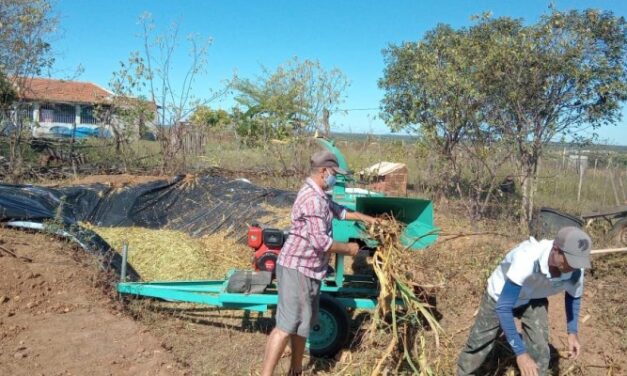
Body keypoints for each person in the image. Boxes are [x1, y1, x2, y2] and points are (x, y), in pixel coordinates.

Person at [261, 150, 378, 376]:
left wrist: (367, 218)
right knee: (285, 327)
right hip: (296, 268)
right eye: (335, 173)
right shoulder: (313, 199)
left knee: (304, 323)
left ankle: (295, 371)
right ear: (324, 171)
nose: (336, 178)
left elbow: (339, 212)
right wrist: (351, 249)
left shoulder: (321, 195)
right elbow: (321, 242)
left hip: (312, 269)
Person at [457, 226, 592, 376]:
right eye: (571, 261)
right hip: (501, 296)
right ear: (556, 249)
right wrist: (520, 353)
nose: (574, 267)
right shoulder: (527, 258)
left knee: (540, 349)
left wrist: (572, 331)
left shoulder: (575, 270)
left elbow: (574, 296)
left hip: (533, 297)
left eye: (578, 262)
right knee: (478, 345)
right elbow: (503, 308)